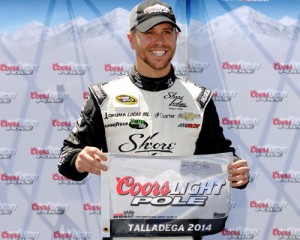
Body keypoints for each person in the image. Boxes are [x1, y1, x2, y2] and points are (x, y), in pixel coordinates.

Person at [58, 0, 250, 239]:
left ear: (176, 38)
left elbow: (221, 156)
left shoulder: (199, 98)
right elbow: (66, 158)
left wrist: (238, 173)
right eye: (149, 32)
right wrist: (79, 160)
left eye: (166, 32)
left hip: (183, 233)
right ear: (132, 39)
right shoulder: (104, 96)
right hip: (124, 233)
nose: (159, 41)